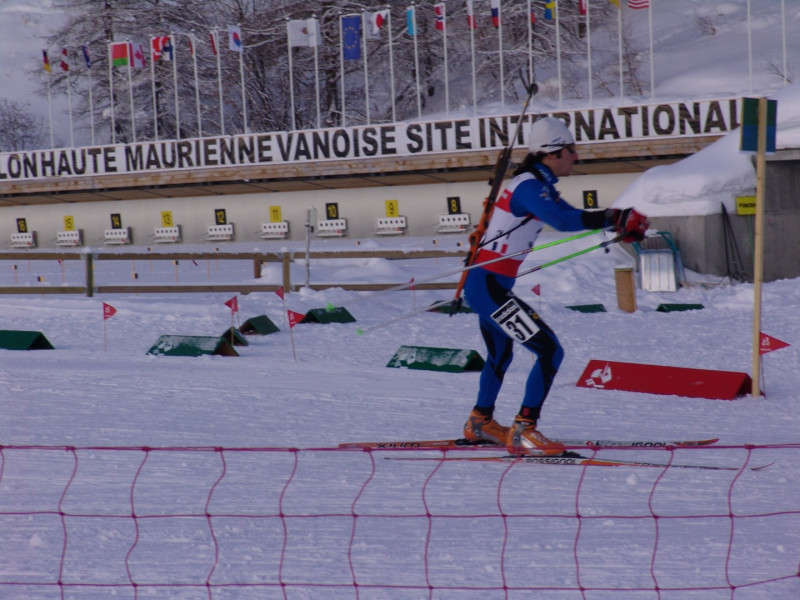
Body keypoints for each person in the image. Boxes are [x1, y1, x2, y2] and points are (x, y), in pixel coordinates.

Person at [462, 116, 649, 455]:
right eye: (571, 150)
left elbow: (571, 214)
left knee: (500, 354)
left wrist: (615, 219)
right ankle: (524, 429)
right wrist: (613, 218)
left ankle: (480, 422)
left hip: (486, 285)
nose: (575, 157)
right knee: (549, 351)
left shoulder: (537, 184)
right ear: (552, 153)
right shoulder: (529, 186)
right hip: (488, 286)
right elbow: (562, 221)